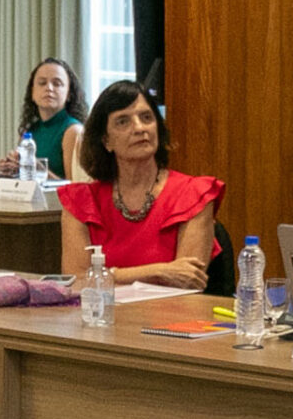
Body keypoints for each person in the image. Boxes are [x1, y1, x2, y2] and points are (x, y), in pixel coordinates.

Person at [57, 80, 224, 289]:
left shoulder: (194, 194)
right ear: (106, 141)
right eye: (122, 122)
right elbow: (76, 281)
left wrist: (106, 277)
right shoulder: (81, 201)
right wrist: (159, 270)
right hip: (102, 317)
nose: (139, 128)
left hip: (171, 318)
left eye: (146, 118)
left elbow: (188, 280)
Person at [18, 57, 88, 179]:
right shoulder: (28, 131)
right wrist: (12, 169)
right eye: (42, 83)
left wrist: (38, 169)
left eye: (57, 84)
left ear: (69, 95)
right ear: (32, 93)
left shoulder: (73, 131)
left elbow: (75, 188)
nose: (49, 88)